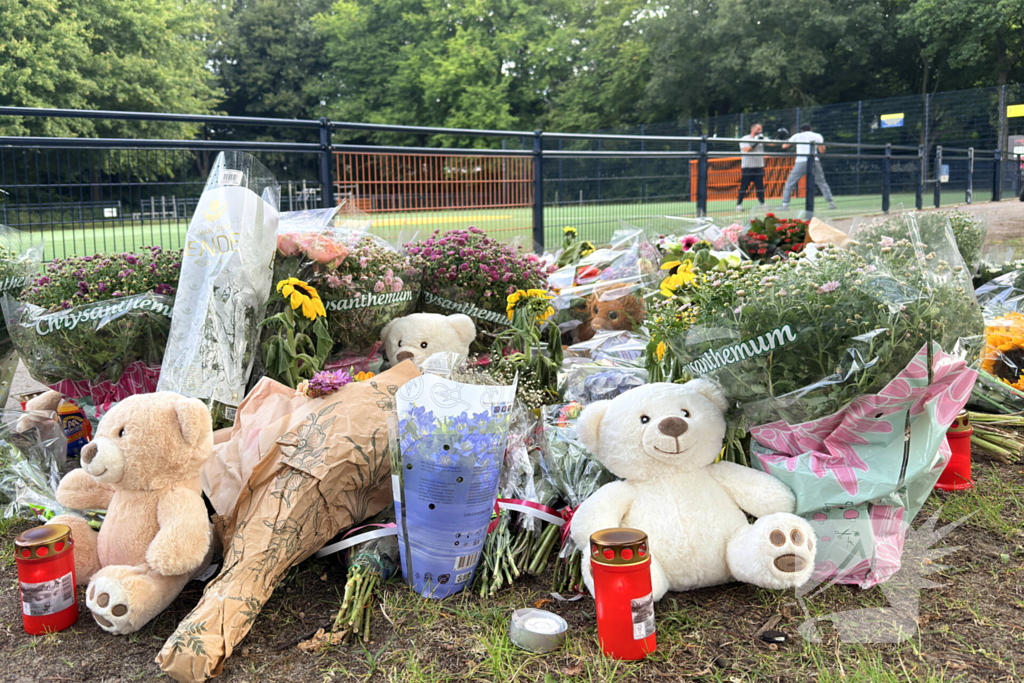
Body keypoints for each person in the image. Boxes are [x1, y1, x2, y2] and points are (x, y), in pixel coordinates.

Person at [781, 123, 837, 210]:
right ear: (811, 129)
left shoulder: (797, 136)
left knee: (790, 182)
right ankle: (831, 203)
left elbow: (784, 146)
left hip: (800, 161)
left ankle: (785, 205)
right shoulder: (817, 136)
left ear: (801, 130)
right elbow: (822, 151)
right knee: (821, 182)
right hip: (814, 161)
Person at [736, 123, 766, 211]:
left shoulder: (762, 138)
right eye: (759, 129)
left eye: (761, 129)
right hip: (748, 167)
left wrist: (778, 137)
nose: (760, 131)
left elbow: (772, 144)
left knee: (760, 186)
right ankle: (739, 204)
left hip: (759, 166)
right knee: (744, 186)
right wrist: (756, 142)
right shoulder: (745, 139)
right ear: (753, 130)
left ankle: (762, 204)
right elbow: (746, 150)